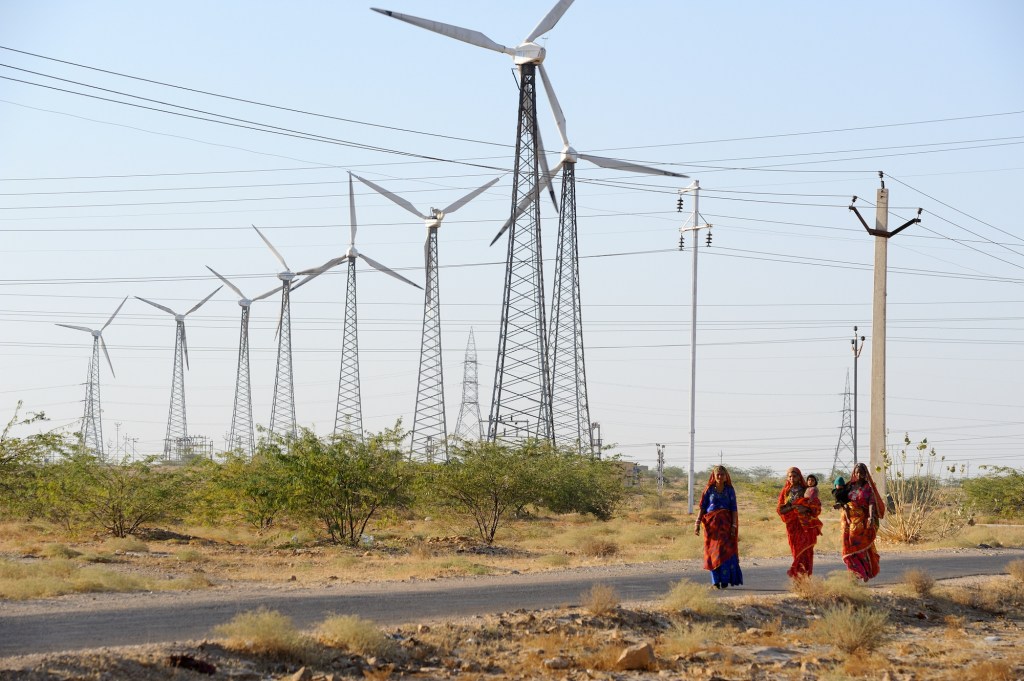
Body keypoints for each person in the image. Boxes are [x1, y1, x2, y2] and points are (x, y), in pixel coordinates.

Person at [694, 465, 743, 589]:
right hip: (711, 527)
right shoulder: (708, 490)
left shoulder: (730, 490)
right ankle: (715, 581)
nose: (720, 477)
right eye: (718, 475)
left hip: (726, 526)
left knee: (725, 552)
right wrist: (697, 523)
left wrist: (733, 525)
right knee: (712, 553)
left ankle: (725, 580)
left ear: (726, 476)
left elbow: (734, 509)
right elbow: (702, 507)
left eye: (722, 474)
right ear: (714, 477)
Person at [777, 466, 823, 578]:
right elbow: (780, 509)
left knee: (805, 551)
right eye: (790, 476)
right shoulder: (785, 491)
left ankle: (803, 576)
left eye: (794, 476)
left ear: (799, 477)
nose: (792, 478)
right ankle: (799, 578)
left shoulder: (806, 490)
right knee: (796, 550)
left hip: (804, 525)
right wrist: (793, 507)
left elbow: (815, 506)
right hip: (792, 525)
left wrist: (805, 508)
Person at [841, 462, 883, 581]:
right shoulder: (849, 486)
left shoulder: (868, 488)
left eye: (861, 473)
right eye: (857, 472)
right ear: (854, 473)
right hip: (848, 518)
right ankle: (855, 571)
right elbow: (842, 499)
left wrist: (870, 517)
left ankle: (863, 570)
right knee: (848, 545)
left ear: (865, 474)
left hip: (861, 520)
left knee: (858, 543)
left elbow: (871, 503)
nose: (859, 474)